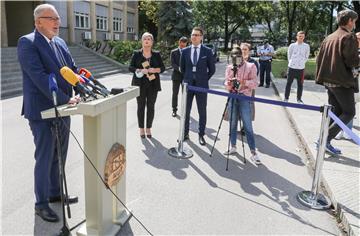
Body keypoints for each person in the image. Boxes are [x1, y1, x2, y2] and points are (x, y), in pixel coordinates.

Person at [17, 4, 80, 223]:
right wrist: (65, 98)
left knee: (59, 155)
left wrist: (82, 88)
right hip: (42, 110)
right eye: (51, 18)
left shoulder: (61, 42)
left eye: (58, 18)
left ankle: (55, 193)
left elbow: (72, 69)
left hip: (64, 109)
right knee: (44, 157)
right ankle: (41, 204)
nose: (57, 22)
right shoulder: (27, 42)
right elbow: (39, 76)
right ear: (38, 22)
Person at [315, 9, 359, 155]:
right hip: (342, 81)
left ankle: (322, 140)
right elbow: (352, 61)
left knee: (335, 113)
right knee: (349, 112)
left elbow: (319, 59)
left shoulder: (329, 37)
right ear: (349, 21)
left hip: (329, 81)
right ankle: (324, 140)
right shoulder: (348, 37)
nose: (355, 24)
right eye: (354, 21)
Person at [224, 46, 261, 164]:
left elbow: (255, 83)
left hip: (245, 97)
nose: (236, 60)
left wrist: (243, 82)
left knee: (248, 125)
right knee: (232, 123)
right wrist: (229, 83)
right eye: (233, 58)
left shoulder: (251, 66)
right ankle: (233, 146)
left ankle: (253, 152)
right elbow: (226, 84)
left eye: (238, 58)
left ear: (242, 56)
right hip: (232, 97)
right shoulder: (229, 68)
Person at [180, 27, 216, 145]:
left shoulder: (207, 51)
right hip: (188, 86)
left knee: (202, 111)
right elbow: (182, 68)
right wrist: (189, 78)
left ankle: (201, 134)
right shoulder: (185, 51)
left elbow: (212, 69)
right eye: (192, 35)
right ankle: (185, 133)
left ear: (201, 37)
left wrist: (203, 79)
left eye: (196, 35)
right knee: (186, 111)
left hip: (201, 86)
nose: (194, 37)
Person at [129, 32, 165, 139]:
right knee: (140, 107)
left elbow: (162, 68)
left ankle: (148, 128)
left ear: (152, 42)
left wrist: (154, 69)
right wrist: (140, 70)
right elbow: (130, 68)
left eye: (149, 38)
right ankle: (141, 129)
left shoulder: (156, 54)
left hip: (153, 84)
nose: (147, 40)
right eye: (145, 38)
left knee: (151, 107)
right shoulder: (136, 54)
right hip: (139, 85)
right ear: (142, 41)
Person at [335, 31, 360, 140]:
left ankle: (346, 130)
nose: (358, 40)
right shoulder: (350, 49)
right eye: (357, 38)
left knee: (349, 108)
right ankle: (345, 130)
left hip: (356, 81)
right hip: (350, 82)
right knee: (348, 107)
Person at [284, 31, 310, 104]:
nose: (301, 38)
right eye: (299, 36)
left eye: (302, 36)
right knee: (288, 83)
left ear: (304, 37)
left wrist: (301, 63)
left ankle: (299, 99)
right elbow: (289, 55)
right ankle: (286, 98)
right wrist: (291, 63)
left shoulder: (306, 46)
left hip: (301, 68)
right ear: (297, 36)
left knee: (300, 85)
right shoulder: (292, 45)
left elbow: (306, 56)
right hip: (292, 67)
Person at [239, 43, 259, 135]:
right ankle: (236, 124)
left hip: (248, 88)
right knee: (237, 107)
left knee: (247, 108)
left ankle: (245, 127)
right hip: (237, 88)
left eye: (245, 49)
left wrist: (245, 82)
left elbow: (255, 77)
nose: (243, 51)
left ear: (249, 51)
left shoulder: (253, 62)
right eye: (242, 49)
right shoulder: (237, 60)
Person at [170, 36, 188, 117]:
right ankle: (174, 110)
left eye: (185, 45)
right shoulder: (173, 52)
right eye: (182, 44)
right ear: (179, 43)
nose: (184, 46)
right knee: (175, 94)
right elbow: (173, 64)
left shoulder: (188, 52)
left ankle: (185, 110)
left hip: (185, 77)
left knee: (185, 94)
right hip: (176, 76)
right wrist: (179, 69)